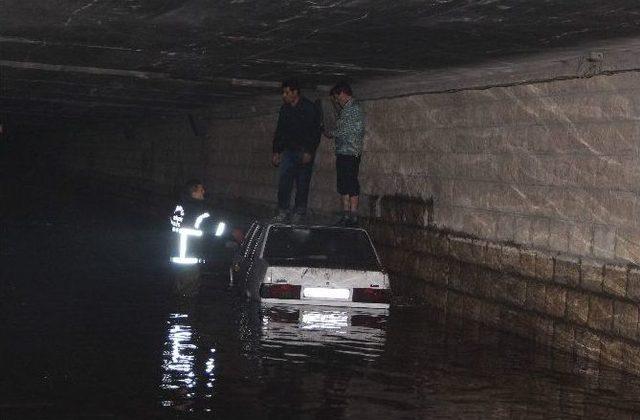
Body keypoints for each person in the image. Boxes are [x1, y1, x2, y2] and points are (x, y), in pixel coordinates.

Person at [272, 78, 322, 224]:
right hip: (288, 151)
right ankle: (283, 211)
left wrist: (309, 151)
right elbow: (280, 131)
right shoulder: (285, 109)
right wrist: (276, 151)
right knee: (284, 182)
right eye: (283, 92)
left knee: (302, 182)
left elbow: (314, 132)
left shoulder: (309, 108)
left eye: (287, 92)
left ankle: (299, 212)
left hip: (303, 151)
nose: (284, 95)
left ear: (295, 92)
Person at [323, 81, 365, 227]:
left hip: (350, 152)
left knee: (350, 182)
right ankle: (346, 214)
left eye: (336, 97)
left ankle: (353, 215)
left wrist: (330, 133)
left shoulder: (353, 109)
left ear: (342, 93)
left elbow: (347, 130)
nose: (336, 100)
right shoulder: (346, 109)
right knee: (343, 183)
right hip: (343, 152)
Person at [169, 179, 210, 297]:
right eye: (200, 189)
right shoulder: (198, 210)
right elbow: (212, 231)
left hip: (175, 256)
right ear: (193, 192)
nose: (203, 191)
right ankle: (186, 312)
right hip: (190, 257)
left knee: (178, 288)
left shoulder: (178, 207)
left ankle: (176, 310)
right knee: (189, 292)